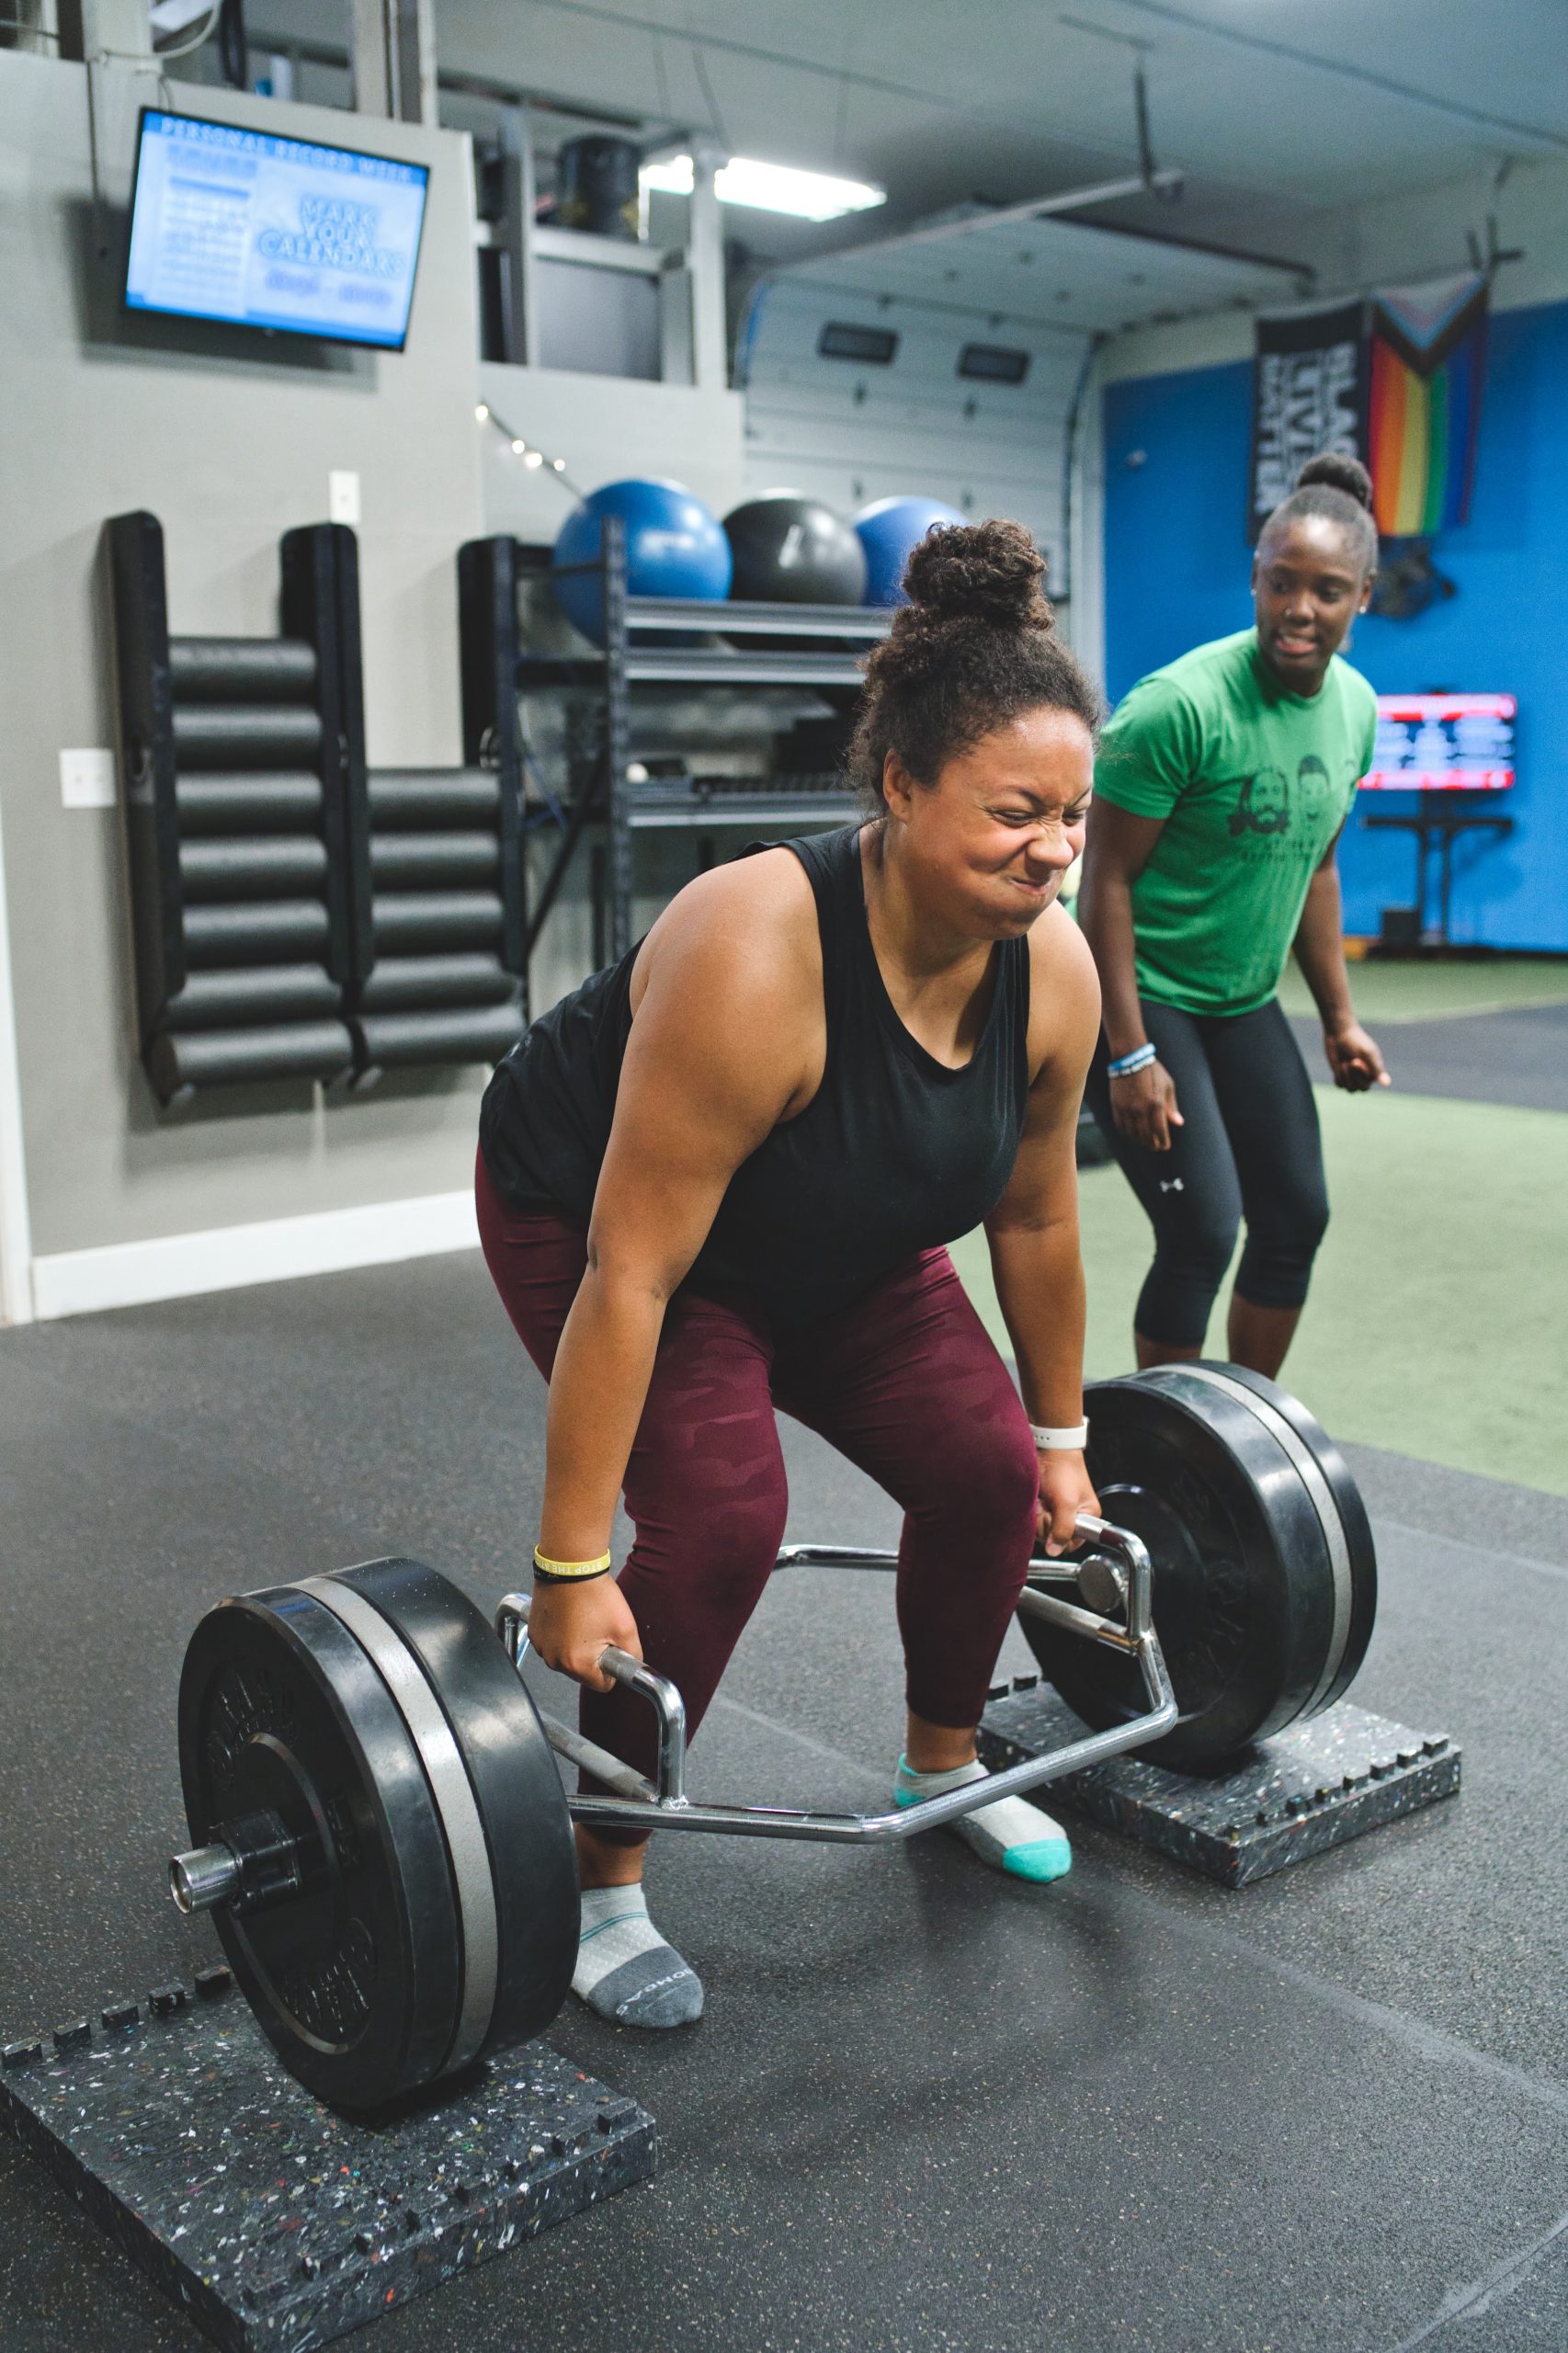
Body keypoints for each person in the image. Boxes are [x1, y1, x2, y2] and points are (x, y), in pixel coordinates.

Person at [476, 521, 1104, 2029]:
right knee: (722, 1514)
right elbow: (632, 1271)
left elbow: (1031, 1219)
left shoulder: (1053, 970)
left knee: (978, 1470)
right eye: (1018, 813)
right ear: (898, 784)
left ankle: (941, 1764)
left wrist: (1064, 1442)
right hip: (615, 1231)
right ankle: (605, 1871)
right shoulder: (757, 944)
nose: (1054, 850)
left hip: (848, 1241)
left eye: (1074, 817)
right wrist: (571, 1564)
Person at [1077, 452, 1390, 1380]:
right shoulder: (1176, 710)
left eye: (1326, 591)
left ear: (1361, 597)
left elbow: (1316, 866)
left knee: (1294, 1215)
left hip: (1240, 995)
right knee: (1201, 1231)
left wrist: (1337, 1017)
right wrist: (1126, 1052)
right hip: (1144, 991)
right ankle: (1160, 1448)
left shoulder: (1356, 710)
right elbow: (1103, 885)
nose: (1299, 609)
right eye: (1281, 583)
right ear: (1254, 579)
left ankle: (1244, 1427)